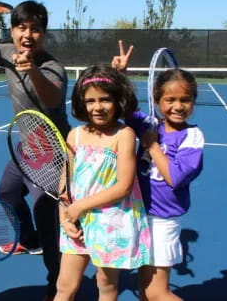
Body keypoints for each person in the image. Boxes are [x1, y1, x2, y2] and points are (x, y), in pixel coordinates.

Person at [0, 0, 69, 300]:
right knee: (6, 193)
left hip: (54, 155)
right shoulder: (8, 53)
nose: (27, 34)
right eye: (21, 27)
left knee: (49, 221)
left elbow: (53, 99)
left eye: (34, 29)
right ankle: (29, 239)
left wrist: (31, 70)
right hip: (25, 149)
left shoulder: (52, 67)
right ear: (13, 30)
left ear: (44, 33)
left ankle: (57, 282)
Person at [55, 64, 151, 301]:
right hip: (75, 222)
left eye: (105, 100)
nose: (97, 107)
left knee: (106, 286)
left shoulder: (124, 135)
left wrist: (81, 206)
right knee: (65, 286)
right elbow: (64, 181)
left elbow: (123, 186)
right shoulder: (74, 135)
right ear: (81, 103)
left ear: (118, 101)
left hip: (110, 224)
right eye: (90, 101)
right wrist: (63, 217)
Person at [126, 69, 204, 301]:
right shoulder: (150, 124)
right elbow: (126, 110)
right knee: (144, 286)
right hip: (139, 213)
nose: (178, 106)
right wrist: (121, 74)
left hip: (162, 219)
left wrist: (152, 146)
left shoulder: (192, 136)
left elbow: (175, 178)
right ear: (157, 100)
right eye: (170, 100)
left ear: (193, 101)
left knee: (156, 291)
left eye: (185, 99)